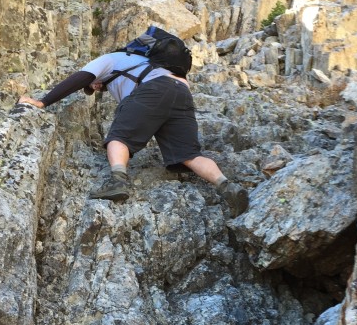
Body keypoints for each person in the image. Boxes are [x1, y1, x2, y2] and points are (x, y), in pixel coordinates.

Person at [17, 44, 249, 216]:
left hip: (153, 90)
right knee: (189, 154)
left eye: (95, 85)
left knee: (119, 137)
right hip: (182, 92)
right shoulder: (145, 64)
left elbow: (80, 78)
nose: (96, 87)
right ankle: (227, 186)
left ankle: (118, 181)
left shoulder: (108, 58)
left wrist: (43, 102)